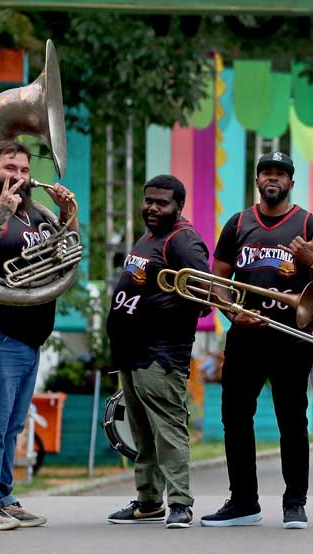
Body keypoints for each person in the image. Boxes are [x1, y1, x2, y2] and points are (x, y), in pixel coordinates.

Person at [201, 151, 313, 529]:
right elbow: (218, 281)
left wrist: (311, 259)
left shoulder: (309, 223)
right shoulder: (239, 223)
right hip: (244, 337)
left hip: (291, 337)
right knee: (235, 418)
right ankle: (244, 501)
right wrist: (232, 313)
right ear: (257, 180)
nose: (273, 178)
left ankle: (295, 503)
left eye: (281, 173)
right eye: (266, 173)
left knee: (292, 421)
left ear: (292, 182)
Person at [0, 140, 76, 531]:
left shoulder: (33, 214)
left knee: (11, 424)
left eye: (24, 170)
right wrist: (1, 213)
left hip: (24, 336)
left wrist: (67, 215)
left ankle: (1, 496)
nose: (20, 177)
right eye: (11, 168)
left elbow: (67, 253)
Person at [105, 174, 210, 529]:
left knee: (168, 429)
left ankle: (179, 503)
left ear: (178, 205)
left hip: (160, 353)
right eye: (148, 200)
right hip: (132, 350)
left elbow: (204, 297)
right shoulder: (149, 236)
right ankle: (148, 501)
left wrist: (161, 307)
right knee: (142, 431)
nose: (152, 207)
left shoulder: (183, 241)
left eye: (161, 202)